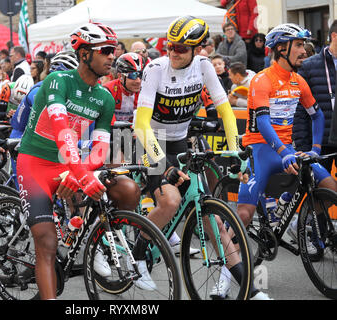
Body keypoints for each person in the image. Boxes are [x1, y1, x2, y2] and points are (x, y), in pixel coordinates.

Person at [16, 22, 141, 299]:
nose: (113, 56)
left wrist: (80, 172)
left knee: (128, 189)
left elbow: (99, 149)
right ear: (84, 54)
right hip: (35, 163)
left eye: (114, 50)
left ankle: (98, 244)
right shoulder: (57, 82)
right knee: (47, 242)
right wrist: (82, 174)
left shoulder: (104, 97)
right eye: (106, 50)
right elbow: (62, 131)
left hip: (70, 164)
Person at [133, 15, 246, 292]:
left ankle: (248, 286)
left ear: (198, 49)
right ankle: (138, 256)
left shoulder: (204, 66)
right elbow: (140, 124)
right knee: (170, 202)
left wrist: (235, 149)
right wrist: (162, 163)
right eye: (170, 46)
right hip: (151, 141)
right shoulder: (156, 68)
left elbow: (226, 111)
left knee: (214, 221)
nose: (172, 52)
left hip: (180, 142)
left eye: (181, 48)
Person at [233, 23, 337, 301]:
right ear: (281, 48)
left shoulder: (298, 80)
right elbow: (263, 120)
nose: (304, 50)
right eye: (299, 45)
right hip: (261, 150)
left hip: (287, 148)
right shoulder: (262, 80)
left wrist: (314, 148)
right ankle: (226, 274)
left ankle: (295, 222)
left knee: (329, 186)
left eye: (304, 45)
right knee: (243, 215)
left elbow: (316, 115)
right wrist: (282, 151)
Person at [292, 20, 337, 208]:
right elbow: (299, 110)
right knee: (324, 193)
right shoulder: (310, 66)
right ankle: (313, 227)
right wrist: (303, 145)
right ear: (334, 36)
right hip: (320, 141)